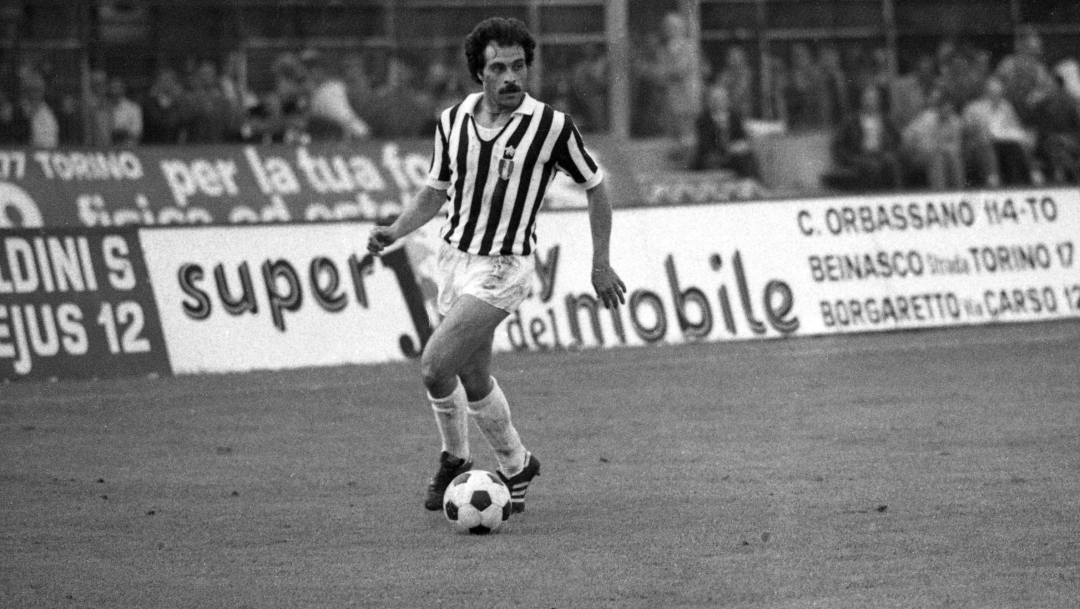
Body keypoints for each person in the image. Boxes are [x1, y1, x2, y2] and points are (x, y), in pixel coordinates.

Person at [367, 17, 626, 515]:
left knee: (434, 365)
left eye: (519, 66)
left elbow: (596, 185)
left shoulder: (549, 126)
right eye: (499, 68)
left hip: (504, 266)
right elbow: (435, 191)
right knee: (474, 376)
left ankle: (454, 458)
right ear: (479, 73)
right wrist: (397, 229)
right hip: (454, 260)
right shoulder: (453, 120)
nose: (511, 77)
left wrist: (601, 263)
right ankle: (515, 463)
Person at [824, 84, 902, 191]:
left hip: (881, 155)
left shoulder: (887, 121)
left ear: (879, 100)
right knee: (872, 168)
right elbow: (838, 146)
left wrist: (891, 154)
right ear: (862, 99)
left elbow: (897, 142)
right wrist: (851, 158)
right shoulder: (851, 122)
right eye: (867, 98)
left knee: (892, 167)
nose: (870, 101)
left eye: (873, 98)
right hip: (859, 156)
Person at [688, 83, 759, 178]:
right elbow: (705, 145)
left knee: (747, 158)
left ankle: (753, 186)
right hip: (713, 155)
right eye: (715, 99)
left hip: (733, 155)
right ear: (709, 101)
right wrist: (728, 148)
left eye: (722, 99)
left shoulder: (735, 117)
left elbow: (742, 137)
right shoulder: (703, 120)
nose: (718, 102)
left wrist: (741, 145)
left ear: (727, 100)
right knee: (712, 160)